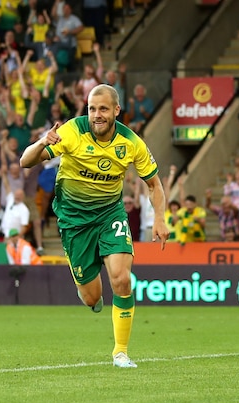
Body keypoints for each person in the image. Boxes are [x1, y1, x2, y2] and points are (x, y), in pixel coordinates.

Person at [19, 84, 170, 368]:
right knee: (92, 297)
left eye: (102, 109)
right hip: (74, 222)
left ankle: (121, 352)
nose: (96, 115)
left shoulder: (131, 142)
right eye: (91, 109)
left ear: (116, 110)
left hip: (110, 214)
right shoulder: (72, 132)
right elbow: (25, 162)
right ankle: (90, 295)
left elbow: (154, 184)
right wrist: (42, 141)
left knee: (122, 279)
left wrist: (160, 218)